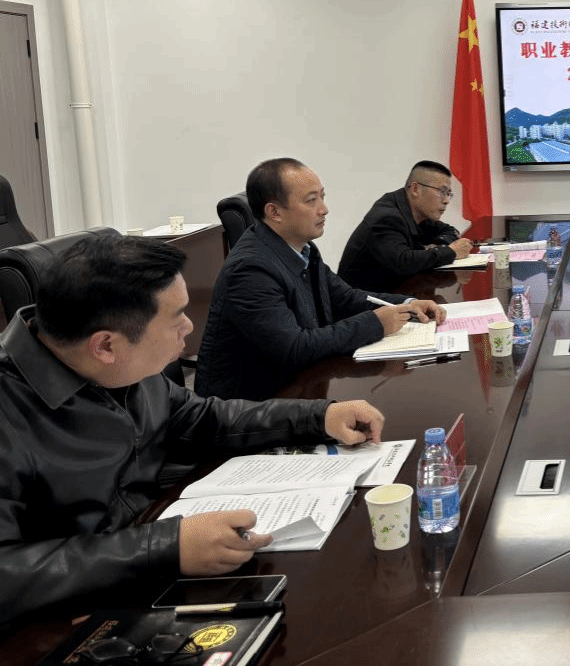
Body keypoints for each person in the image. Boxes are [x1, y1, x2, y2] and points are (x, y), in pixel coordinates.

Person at [0, 234, 387, 627]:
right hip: (62, 621)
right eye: (176, 317)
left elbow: (204, 417)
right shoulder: (8, 409)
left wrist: (317, 417)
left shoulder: (122, 367)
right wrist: (166, 547)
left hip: (152, 570)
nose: (189, 326)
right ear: (105, 347)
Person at [196, 158, 445, 401]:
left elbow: (345, 298)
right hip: (249, 407)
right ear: (274, 212)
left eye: (322, 197)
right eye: (311, 200)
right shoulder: (250, 270)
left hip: (299, 387)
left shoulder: (303, 249)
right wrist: (376, 324)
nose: (324, 209)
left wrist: (406, 303)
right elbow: (294, 348)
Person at [338, 160, 474, 292]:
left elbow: (450, 231)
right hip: (363, 303)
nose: (446, 201)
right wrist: (450, 252)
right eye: (441, 192)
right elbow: (404, 262)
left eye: (449, 194)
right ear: (415, 189)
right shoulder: (387, 217)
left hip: (396, 293)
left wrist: (438, 246)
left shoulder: (417, 213)